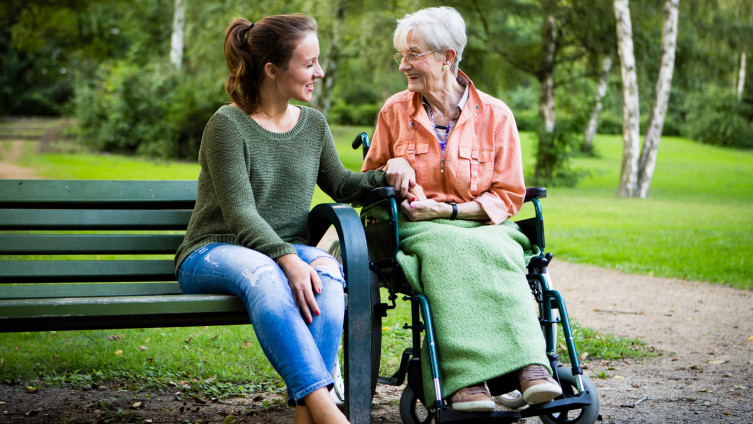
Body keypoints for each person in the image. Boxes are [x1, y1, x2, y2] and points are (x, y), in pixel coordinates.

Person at [174, 15, 410, 424]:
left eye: (317, 62)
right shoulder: (226, 126)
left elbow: (340, 184)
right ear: (271, 70)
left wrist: (389, 170)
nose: (318, 72)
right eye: (309, 63)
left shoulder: (312, 124)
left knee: (330, 276)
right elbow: (240, 214)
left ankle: (305, 416)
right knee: (265, 273)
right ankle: (325, 411)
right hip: (214, 250)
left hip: (281, 253)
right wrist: (287, 259)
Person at [361, 6, 563, 412]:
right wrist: (389, 168)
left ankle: (530, 367)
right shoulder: (394, 112)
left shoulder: (496, 115)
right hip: (419, 227)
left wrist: (451, 213)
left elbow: (508, 195)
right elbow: (364, 187)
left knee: (502, 250)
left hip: (481, 223)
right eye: (401, 55)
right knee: (445, 252)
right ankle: (465, 380)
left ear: (447, 57)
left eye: (412, 54)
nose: (404, 65)